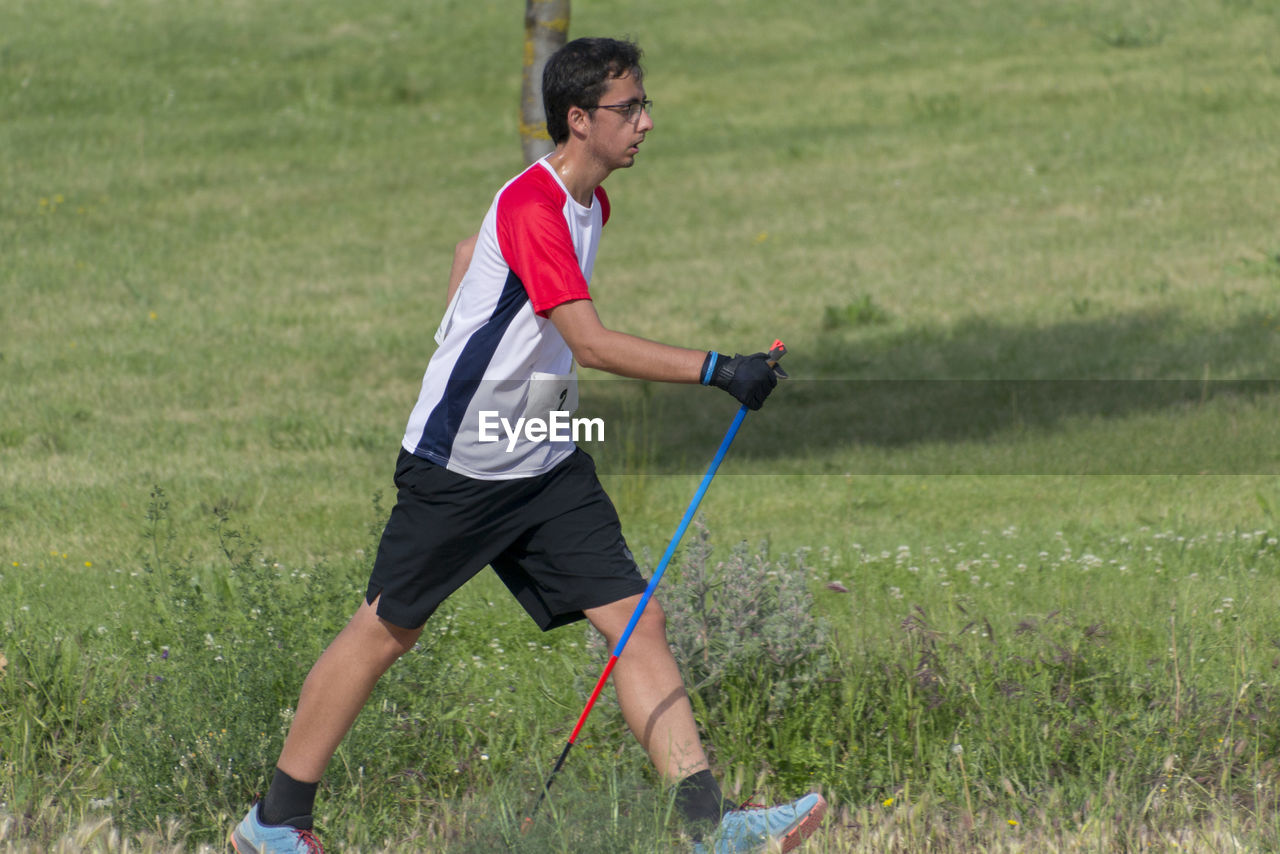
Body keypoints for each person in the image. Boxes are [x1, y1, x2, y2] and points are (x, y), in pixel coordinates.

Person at [230, 37, 825, 854]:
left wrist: (474, 340)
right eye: (630, 108)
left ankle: (712, 832)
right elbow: (589, 342)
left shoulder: (590, 205)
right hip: (464, 465)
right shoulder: (536, 206)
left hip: (542, 459)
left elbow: (470, 255)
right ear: (579, 120)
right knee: (385, 632)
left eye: (646, 104)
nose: (647, 122)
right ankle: (273, 825)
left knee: (636, 623)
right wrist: (719, 369)